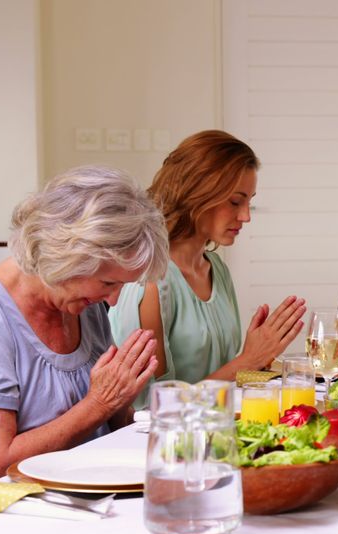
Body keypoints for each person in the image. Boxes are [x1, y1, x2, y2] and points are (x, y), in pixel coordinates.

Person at [0, 165, 169, 478]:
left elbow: (108, 422)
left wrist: (127, 403)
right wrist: (99, 404)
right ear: (69, 256)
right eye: (109, 283)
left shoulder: (81, 302)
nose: (114, 301)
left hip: (96, 490)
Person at [109, 130, 306, 403]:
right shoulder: (149, 281)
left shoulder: (217, 270)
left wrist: (261, 357)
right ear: (197, 194)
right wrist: (248, 359)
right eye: (235, 201)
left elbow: (225, 378)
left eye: (250, 202)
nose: (246, 216)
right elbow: (151, 407)